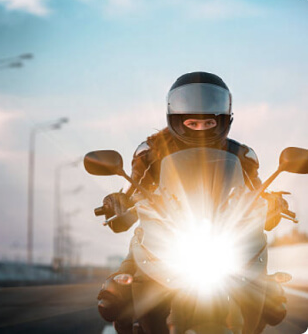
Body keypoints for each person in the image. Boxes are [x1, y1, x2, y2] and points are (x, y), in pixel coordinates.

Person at [97, 72, 288, 334]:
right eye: (193, 123)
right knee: (115, 295)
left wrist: (274, 202)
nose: (200, 129)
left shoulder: (241, 155)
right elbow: (132, 193)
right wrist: (117, 202)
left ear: (223, 120)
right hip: (161, 236)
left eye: (207, 123)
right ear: (175, 119)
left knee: (271, 297)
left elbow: (258, 193)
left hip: (226, 237)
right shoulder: (151, 151)